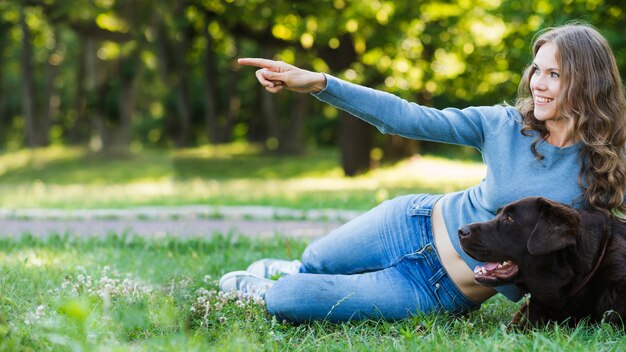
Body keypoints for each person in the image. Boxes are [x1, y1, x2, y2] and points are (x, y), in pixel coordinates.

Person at [219, 23, 626, 323]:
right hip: (409, 220)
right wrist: (322, 83)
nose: (538, 83)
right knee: (314, 260)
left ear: (587, 82)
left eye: (554, 74)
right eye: (537, 70)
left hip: (437, 287)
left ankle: (277, 284)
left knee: (288, 300)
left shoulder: (604, 165)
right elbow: (409, 118)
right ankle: (297, 268)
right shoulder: (504, 124)